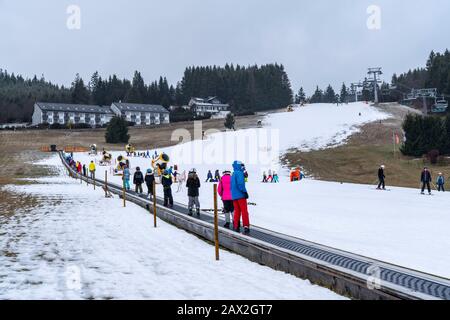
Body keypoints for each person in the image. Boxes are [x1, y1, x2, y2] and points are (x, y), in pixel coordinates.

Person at [231, 161, 250, 234]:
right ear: (239, 166)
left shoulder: (234, 173)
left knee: (237, 211)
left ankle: (236, 226)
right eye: (242, 166)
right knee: (244, 211)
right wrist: (244, 192)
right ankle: (246, 226)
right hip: (240, 195)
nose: (243, 167)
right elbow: (240, 184)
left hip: (234, 196)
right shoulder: (239, 173)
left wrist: (244, 175)